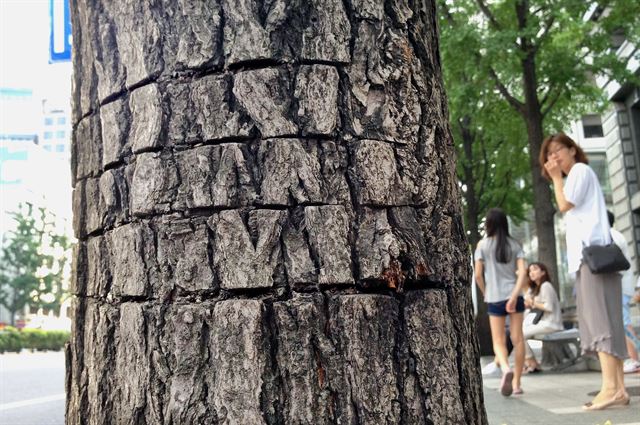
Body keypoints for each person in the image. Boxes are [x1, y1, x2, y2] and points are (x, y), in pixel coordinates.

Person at [542, 132, 629, 410]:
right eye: (549, 155)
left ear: (573, 150)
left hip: (592, 260)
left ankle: (611, 388)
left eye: (558, 151)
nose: (553, 158)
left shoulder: (578, 171)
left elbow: (565, 204)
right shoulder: (582, 174)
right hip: (599, 259)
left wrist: (556, 178)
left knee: (599, 322)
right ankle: (618, 389)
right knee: (610, 322)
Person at [474, 208, 528, 396]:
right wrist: (514, 295)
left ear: (488, 224)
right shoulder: (515, 245)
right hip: (515, 296)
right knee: (518, 338)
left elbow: (478, 275)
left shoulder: (482, 245)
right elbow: (522, 272)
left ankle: (505, 369)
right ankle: (517, 385)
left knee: (498, 340)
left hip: (495, 297)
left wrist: (486, 292)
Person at [607, 210, 640, 374]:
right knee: (623, 322)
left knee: (624, 323)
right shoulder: (616, 235)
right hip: (621, 286)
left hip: (619, 287)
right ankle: (634, 358)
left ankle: (635, 359)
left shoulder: (612, 236)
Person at [522, 262, 564, 373]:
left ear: (543, 272)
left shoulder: (546, 286)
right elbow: (527, 299)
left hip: (551, 323)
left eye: (535, 269)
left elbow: (549, 307)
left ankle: (531, 362)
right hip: (542, 323)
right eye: (530, 271)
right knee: (517, 334)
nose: (532, 273)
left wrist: (534, 303)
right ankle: (531, 362)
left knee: (519, 335)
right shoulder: (535, 288)